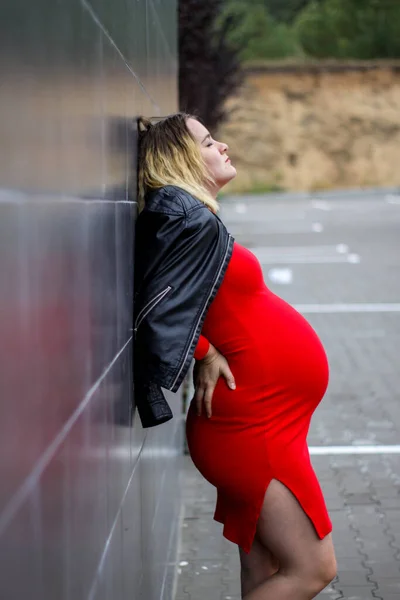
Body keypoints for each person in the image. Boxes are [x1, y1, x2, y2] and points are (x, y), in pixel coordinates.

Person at [134, 112, 337, 599]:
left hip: (268, 420)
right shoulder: (185, 218)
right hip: (250, 427)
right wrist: (203, 352)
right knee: (312, 569)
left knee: (265, 566)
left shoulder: (193, 214)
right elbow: (148, 302)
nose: (222, 145)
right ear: (183, 159)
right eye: (207, 142)